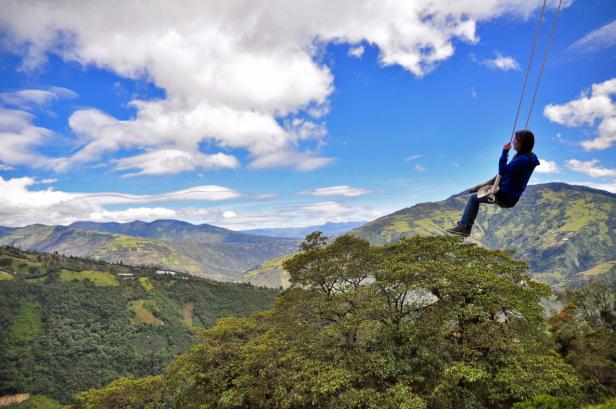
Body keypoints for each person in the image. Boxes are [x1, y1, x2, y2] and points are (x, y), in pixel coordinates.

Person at [446, 129, 540, 238]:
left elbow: (502, 171)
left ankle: (464, 227)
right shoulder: (530, 157)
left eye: (516, 140)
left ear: (522, 143)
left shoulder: (521, 160)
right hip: (512, 197)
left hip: (504, 195)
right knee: (477, 195)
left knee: (473, 199)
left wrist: (505, 152)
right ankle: (465, 227)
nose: (513, 142)